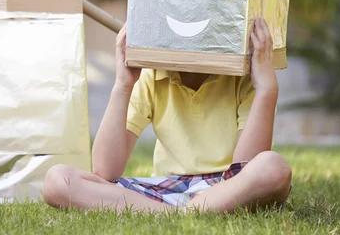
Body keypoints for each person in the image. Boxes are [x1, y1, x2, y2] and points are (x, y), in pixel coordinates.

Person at [42, 18, 291, 213]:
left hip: (226, 188)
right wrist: (123, 85)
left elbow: (243, 170)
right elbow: (105, 171)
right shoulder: (150, 75)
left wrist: (267, 90)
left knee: (273, 167)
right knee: (57, 180)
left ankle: (176, 212)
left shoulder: (247, 76)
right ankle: (177, 213)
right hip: (165, 191)